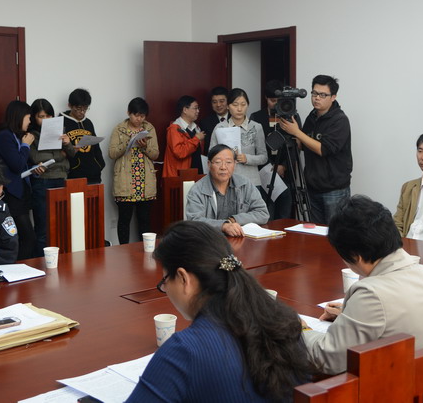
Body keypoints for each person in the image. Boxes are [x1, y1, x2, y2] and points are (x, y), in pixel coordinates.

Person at [302, 195, 423, 402]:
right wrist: (349, 316)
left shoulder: (371, 294)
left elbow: (326, 358)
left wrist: (300, 329)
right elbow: (398, 317)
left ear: (356, 256)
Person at [126, 220, 309, 402]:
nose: (165, 289)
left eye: (164, 281)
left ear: (183, 278)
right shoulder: (284, 323)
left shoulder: (184, 351)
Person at [279, 75, 352, 224]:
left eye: (322, 95)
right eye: (314, 93)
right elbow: (304, 145)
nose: (317, 98)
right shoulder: (312, 117)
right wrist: (292, 133)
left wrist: (297, 132)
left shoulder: (340, 120)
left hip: (334, 190)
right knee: (315, 233)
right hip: (312, 188)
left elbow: (323, 149)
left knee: (335, 232)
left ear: (333, 97)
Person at [185, 144, 269, 237]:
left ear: (235, 164)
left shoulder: (244, 184)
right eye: (218, 162)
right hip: (209, 241)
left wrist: (233, 220)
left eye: (228, 162)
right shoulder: (198, 190)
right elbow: (194, 221)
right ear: (209, 164)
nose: (223, 167)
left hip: (239, 239)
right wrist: (223, 226)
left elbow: (262, 213)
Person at [28, 98, 77, 256]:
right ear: (34, 117)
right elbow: (36, 158)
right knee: (43, 227)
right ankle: (39, 262)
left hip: (61, 179)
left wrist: (67, 143)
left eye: (48, 116)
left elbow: (72, 154)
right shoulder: (31, 135)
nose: (45, 120)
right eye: (41, 116)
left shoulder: (58, 131)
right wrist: (60, 156)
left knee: (62, 225)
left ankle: (60, 261)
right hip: (42, 181)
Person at [108, 98, 159, 245]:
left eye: (142, 116)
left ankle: (146, 249)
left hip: (144, 181)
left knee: (144, 220)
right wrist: (127, 143)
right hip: (125, 182)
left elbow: (155, 154)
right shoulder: (119, 129)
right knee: (124, 220)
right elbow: (112, 153)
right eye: (136, 115)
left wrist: (144, 146)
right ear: (128, 113)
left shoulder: (149, 128)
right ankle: (123, 250)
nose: (139, 119)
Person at [0, 100, 36, 259]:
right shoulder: (5, 136)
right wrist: (25, 145)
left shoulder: (16, 136)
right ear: (19, 116)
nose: (30, 122)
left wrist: (35, 169)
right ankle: (19, 268)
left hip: (21, 193)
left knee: (25, 237)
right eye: (28, 117)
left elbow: (22, 165)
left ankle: (22, 268)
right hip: (10, 194)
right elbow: (17, 165)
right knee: (26, 237)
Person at [249, 80, 294, 220]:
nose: (276, 104)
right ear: (266, 98)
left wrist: (283, 166)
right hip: (264, 172)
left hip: (285, 172)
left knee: (285, 212)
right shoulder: (256, 117)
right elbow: (253, 147)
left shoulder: (291, 116)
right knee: (267, 213)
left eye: (279, 101)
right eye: (272, 100)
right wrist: (269, 166)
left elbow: (295, 146)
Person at [209, 88, 267, 195]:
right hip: (226, 181)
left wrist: (247, 158)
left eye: (243, 104)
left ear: (248, 105)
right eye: (235, 105)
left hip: (251, 182)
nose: (239, 109)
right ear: (228, 106)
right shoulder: (220, 127)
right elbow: (211, 154)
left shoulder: (256, 127)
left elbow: (263, 157)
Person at [61, 88, 106, 184]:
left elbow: (96, 147)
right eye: (79, 108)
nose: (82, 112)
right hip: (73, 175)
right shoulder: (61, 122)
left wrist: (100, 165)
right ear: (70, 105)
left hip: (93, 175)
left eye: (85, 109)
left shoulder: (88, 123)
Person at [163, 95, 205, 178]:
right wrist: (196, 139)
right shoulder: (174, 129)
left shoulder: (196, 128)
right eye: (195, 108)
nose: (198, 111)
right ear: (185, 110)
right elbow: (179, 152)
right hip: (181, 175)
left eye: (198, 108)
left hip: (197, 172)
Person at [199, 86, 229, 154]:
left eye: (221, 101)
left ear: (228, 101)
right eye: (214, 102)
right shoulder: (205, 123)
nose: (218, 105)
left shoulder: (235, 118)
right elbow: (206, 147)